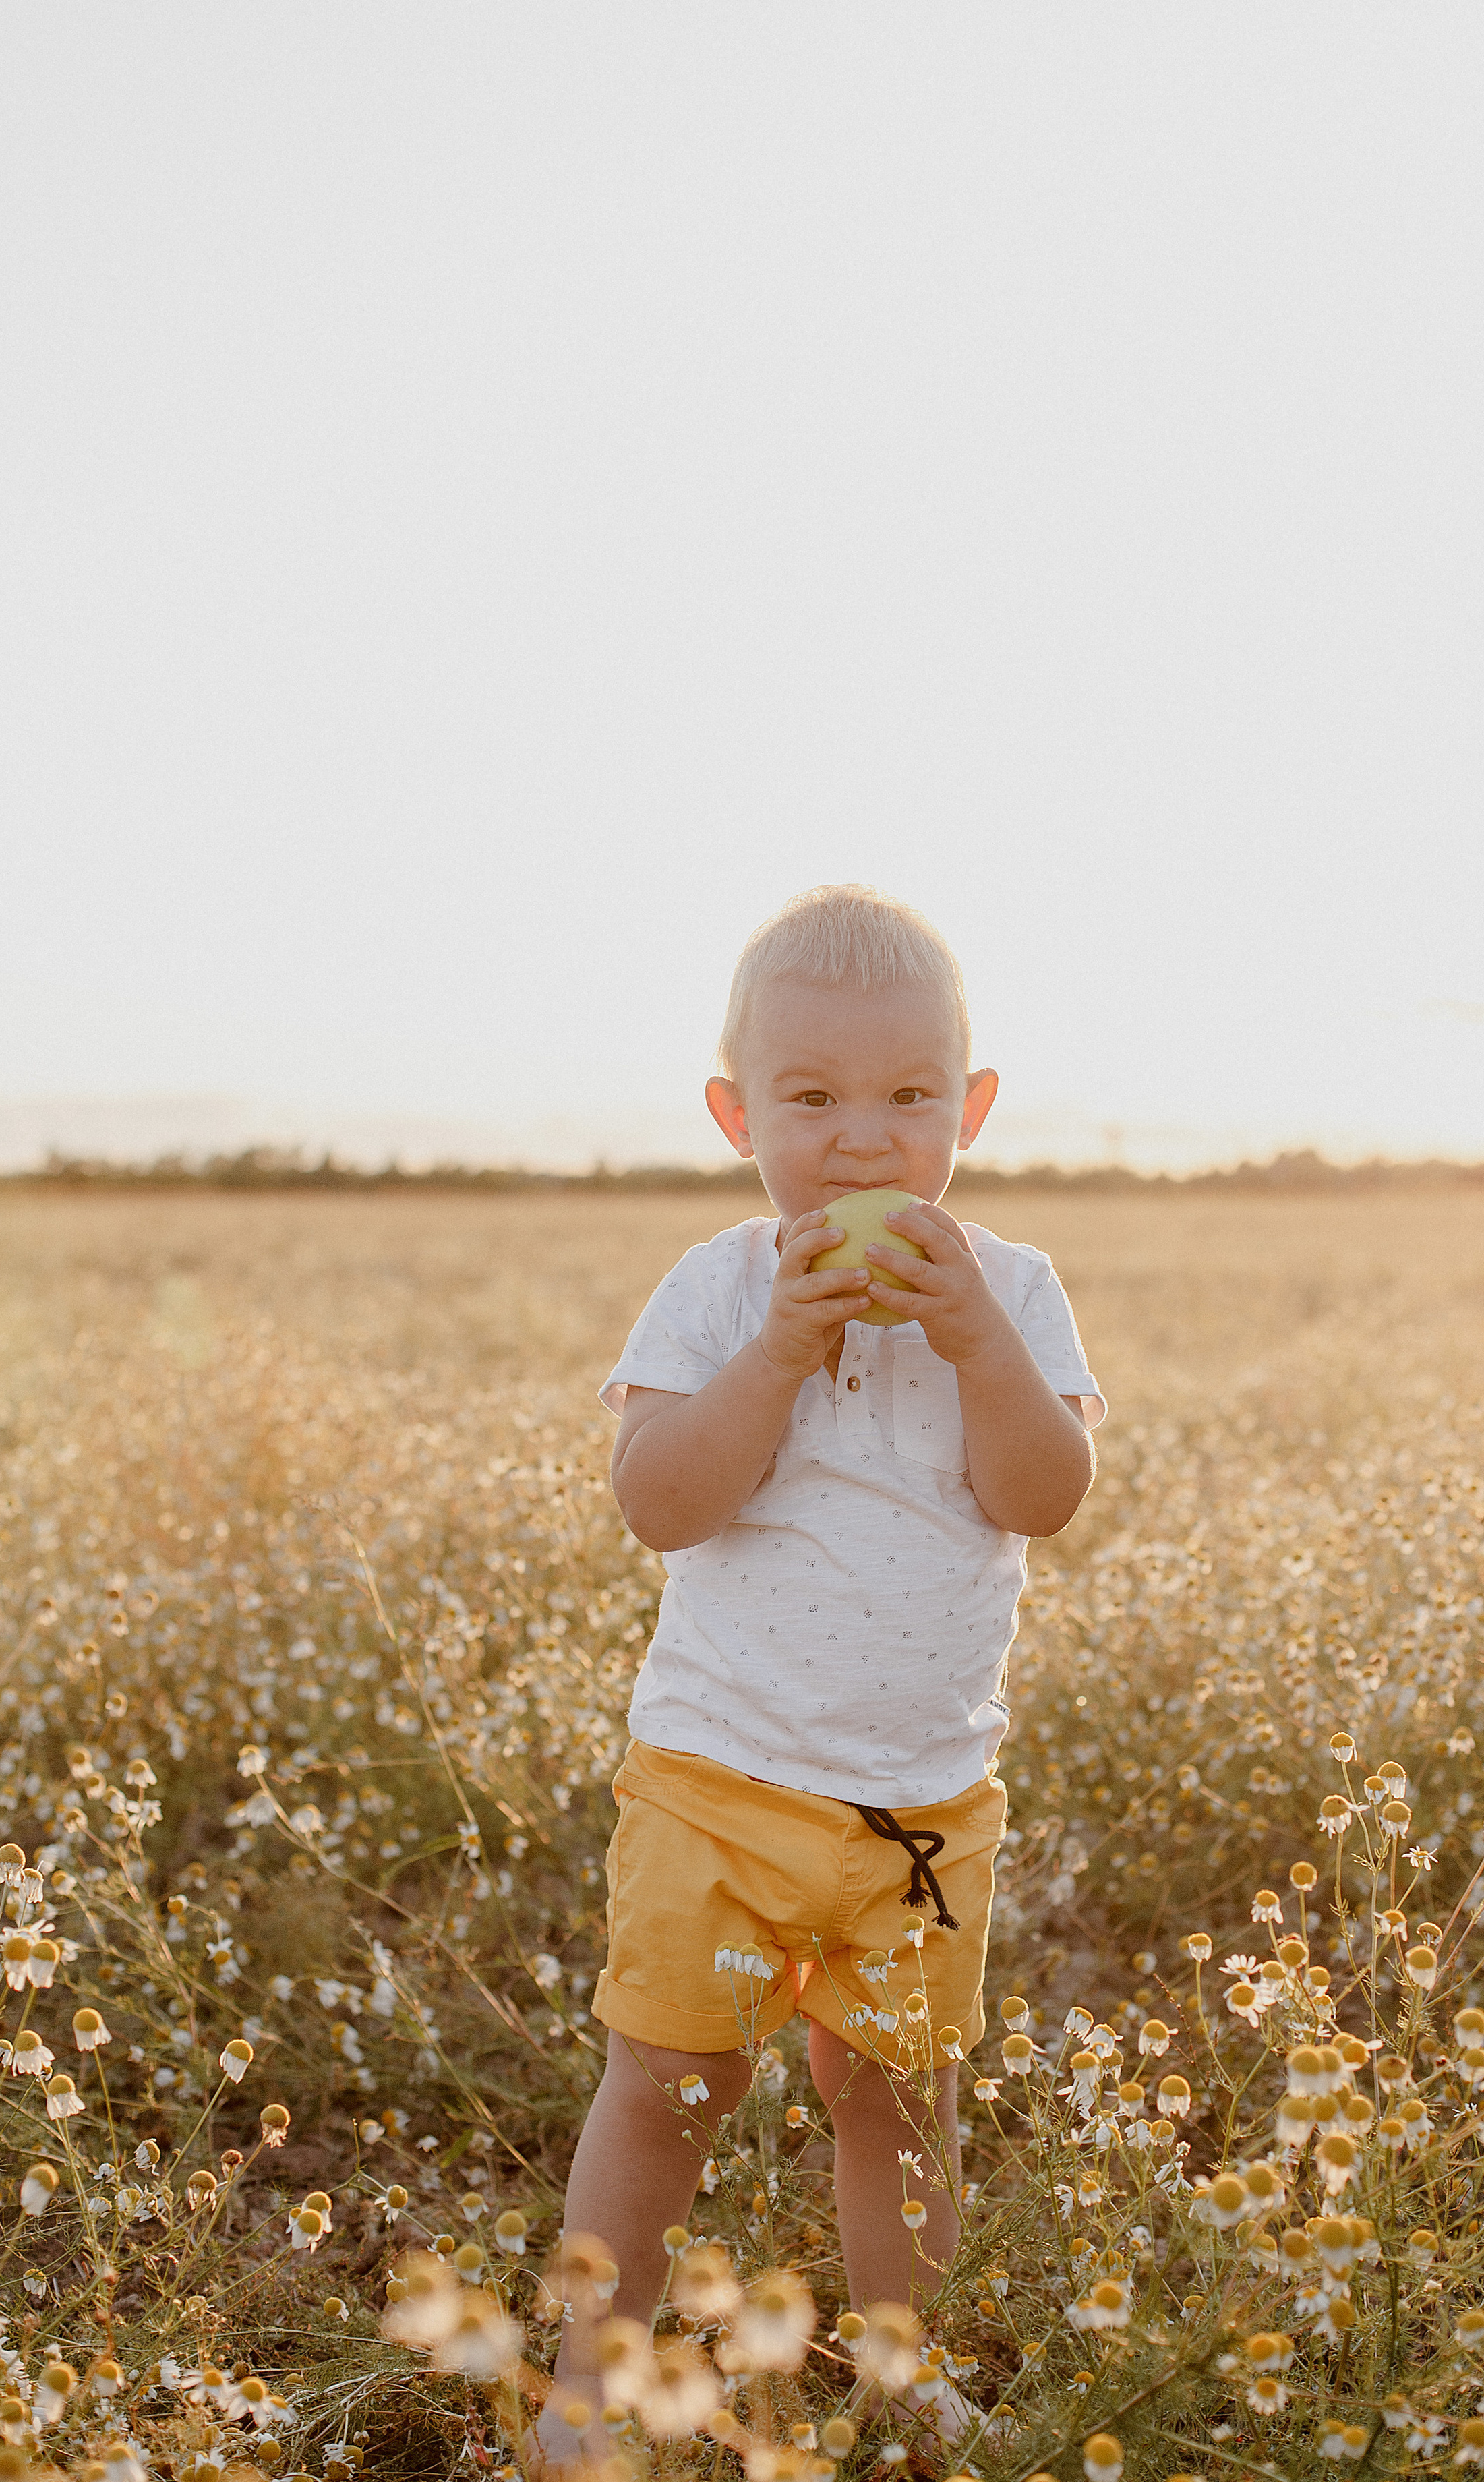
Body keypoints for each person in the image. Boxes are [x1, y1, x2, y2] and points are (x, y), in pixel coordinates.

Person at [529, 885, 1104, 2471]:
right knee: (668, 2082)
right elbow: (660, 1504)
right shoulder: (718, 1289)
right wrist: (776, 1347)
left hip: (921, 1799)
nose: (864, 1141)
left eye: (909, 1097)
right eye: (812, 1100)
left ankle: (896, 2376)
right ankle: (591, 2378)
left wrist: (980, 1342)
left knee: (896, 2102)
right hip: (719, 1779)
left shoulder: (1016, 1291)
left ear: (969, 1110)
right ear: (736, 1117)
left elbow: (1040, 1495)